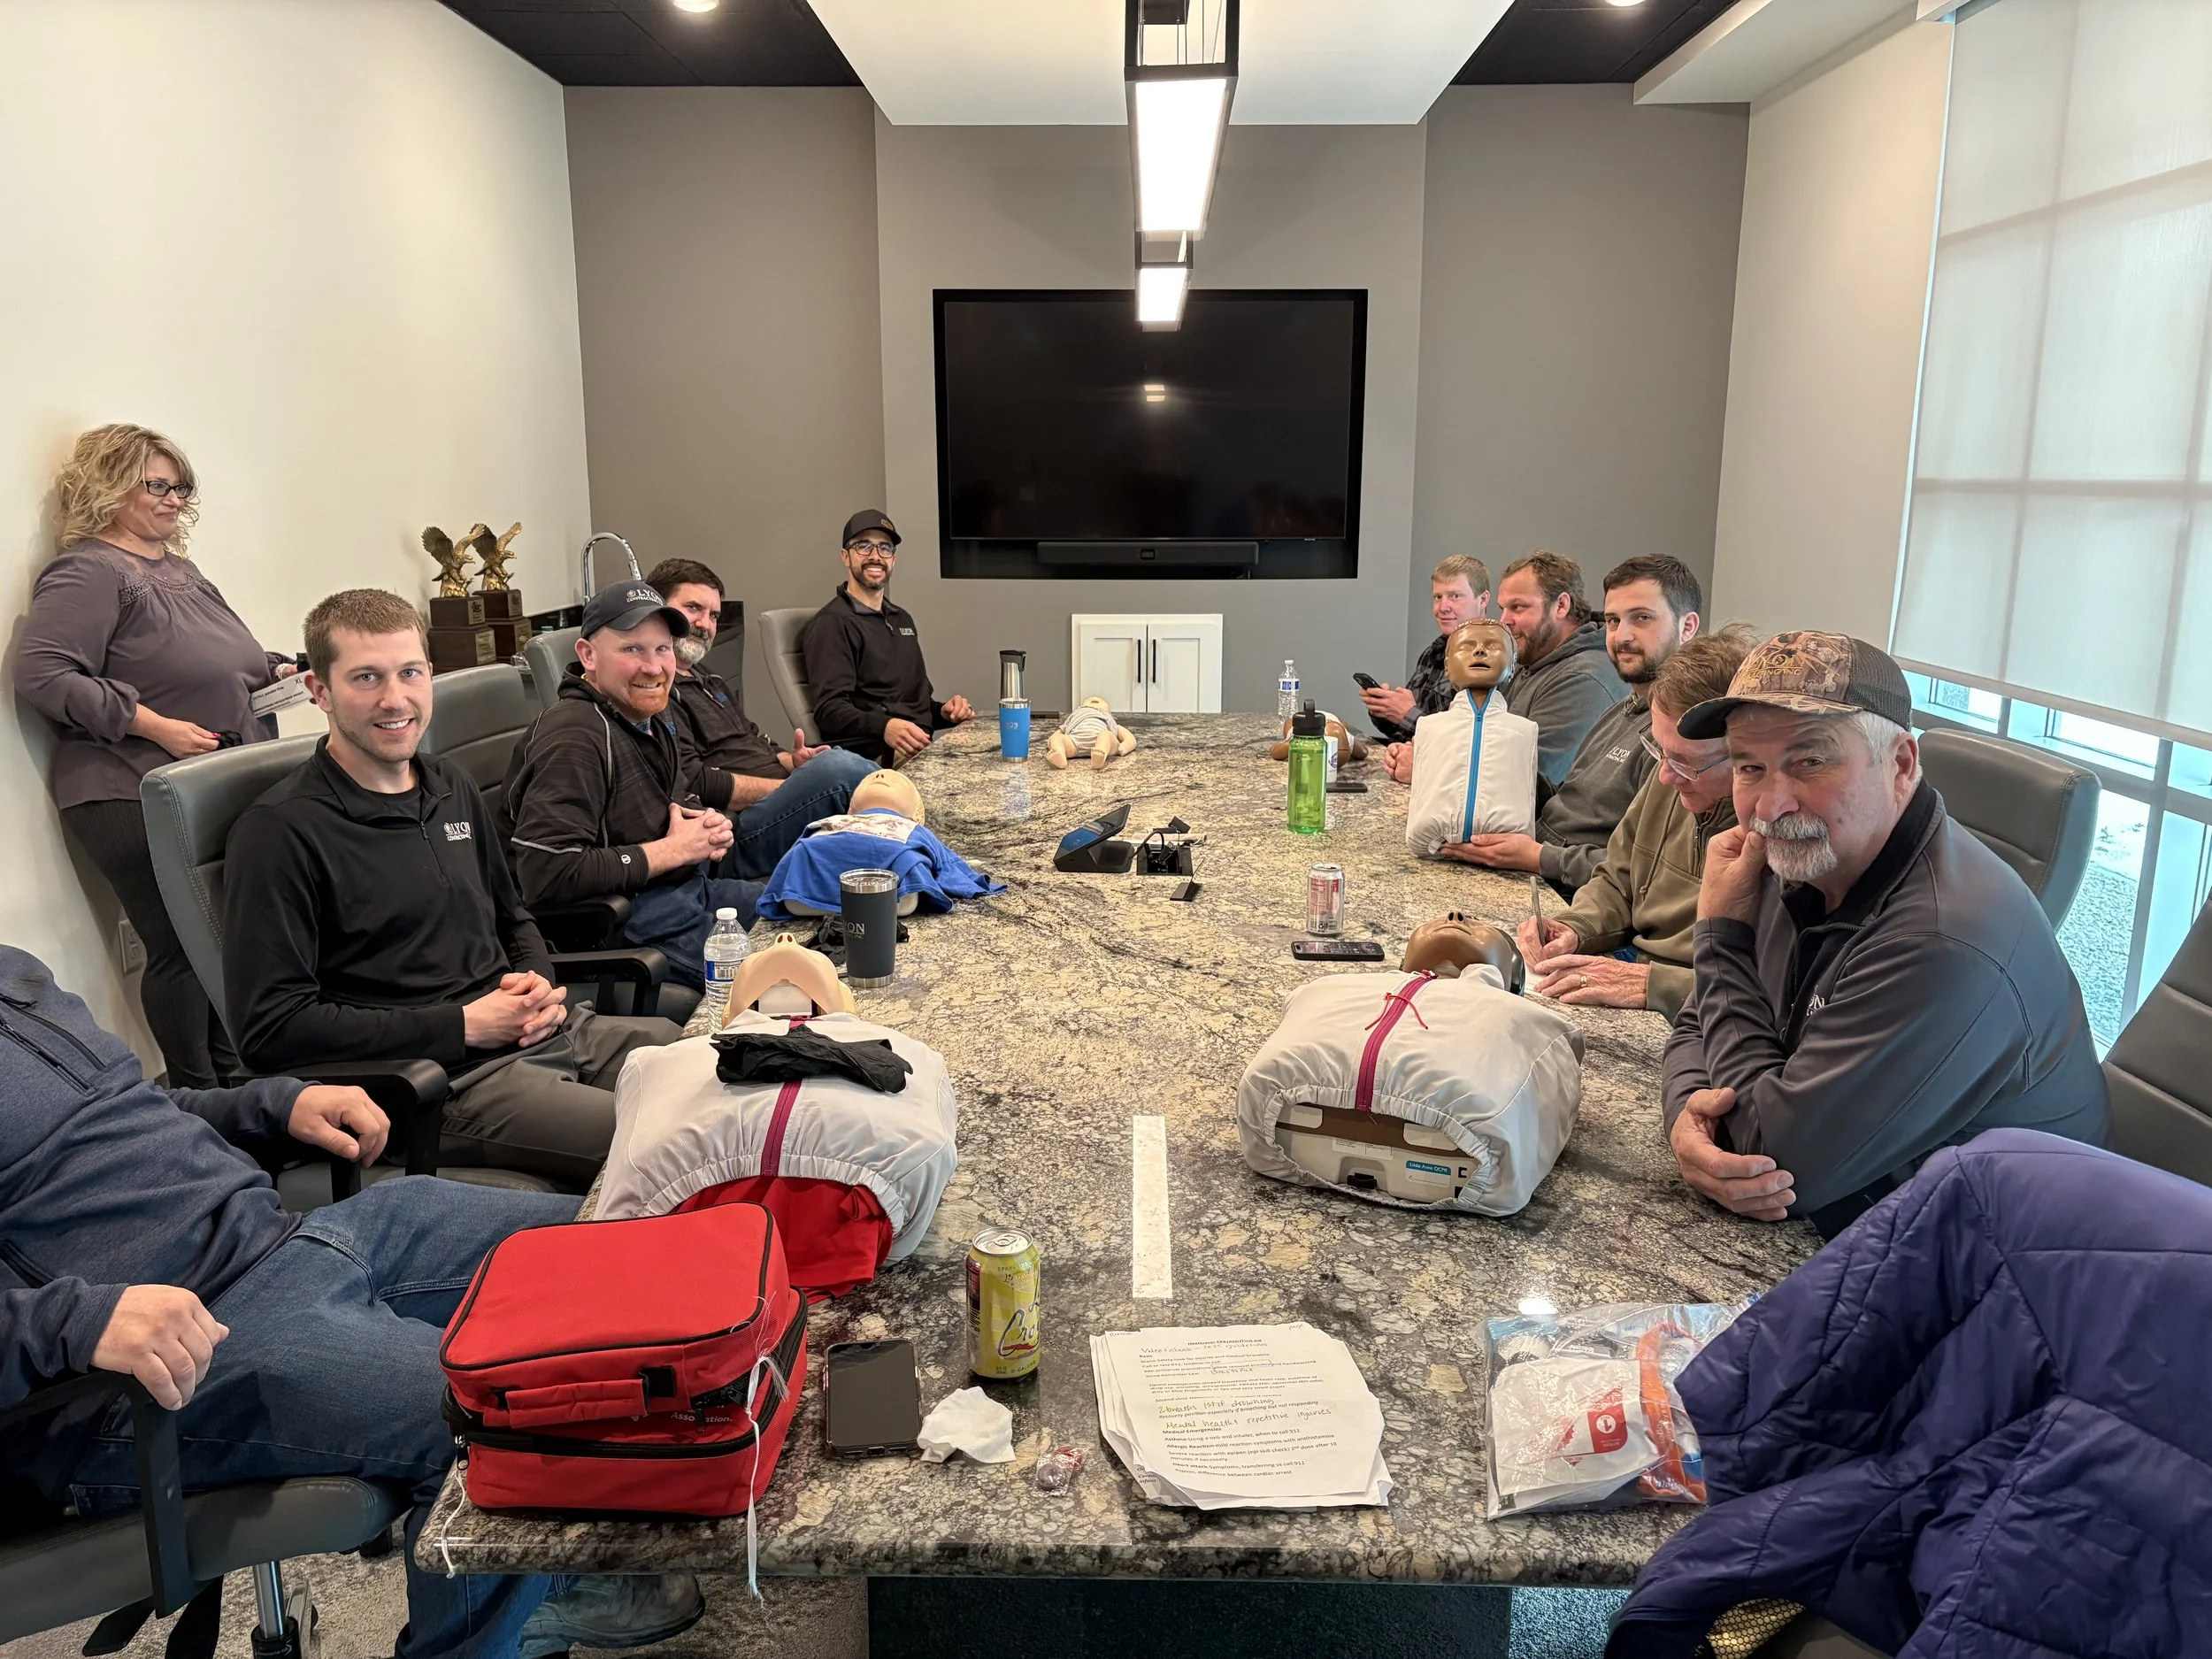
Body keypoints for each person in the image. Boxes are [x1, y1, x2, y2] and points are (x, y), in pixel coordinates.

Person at [0, 945, 702, 1658]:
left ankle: (551, 1575)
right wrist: (75, 1321)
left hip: (284, 1233)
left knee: (609, 1244)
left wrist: (278, 1102)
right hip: (163, 1357)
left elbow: (128, 1110)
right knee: (495, 1412)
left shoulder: (12, 970)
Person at [223, 590, 682, 1188]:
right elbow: (270, 1029)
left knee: (708, 1069)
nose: (395, 699)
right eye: (366, 677)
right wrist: (462, 1025)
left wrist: (537, 982)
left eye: (410, 673)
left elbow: (514, 915)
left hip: (541, 1033)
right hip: (441, 1083)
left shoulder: (449, 784)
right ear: (320, 691)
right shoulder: (280, 831)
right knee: (668, 1143)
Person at [1660, 632, 2109, 1238]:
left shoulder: (1942, 942)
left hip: (1992, 1262)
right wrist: (1685, 1118)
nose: (1769, 806)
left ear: (1900, 764)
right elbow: (1702, 1019)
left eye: (1809, 762)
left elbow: (1771, 1162)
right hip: (1874, 1215)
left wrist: (1719, 935)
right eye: (1750, 767)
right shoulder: (1808, 854)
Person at [14, 424, 296, 1087]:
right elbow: (41, 673)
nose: (175, 500)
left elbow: (216, 657)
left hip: (203, 783)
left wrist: (274, 670)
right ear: (110, 487)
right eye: (158, 486)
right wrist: (154, 726)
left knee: (223, 940)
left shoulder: (180, 571)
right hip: (130, 788)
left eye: (181, 487)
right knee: (182, 946)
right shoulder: (88, 570)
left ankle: (234, 1086)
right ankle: (198, 1097)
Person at [500, 581, 769, 991]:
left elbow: (678, 797)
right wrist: (672, 850)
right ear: (588, 656)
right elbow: (547, 873)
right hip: (620, 922)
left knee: (805, 924)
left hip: (687, 890)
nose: (654, 667)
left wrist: (705, 824)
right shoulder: (574, 737)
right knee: (779, 985)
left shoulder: (651, 716)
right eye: (632, 649)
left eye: (662, 649)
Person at [1514, 626, 1754, 1019]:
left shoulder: (1774, 835)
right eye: (1660, 751)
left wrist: (1654, 984)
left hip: (1694, 1008)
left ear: (1748, 757)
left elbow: (1771, 993)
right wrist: (1576, 927)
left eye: (1687, 763)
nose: (1666, 776)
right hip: (1634, 968)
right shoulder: (1671, 776)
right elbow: (1617, 878)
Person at [1429, 555, 1702, 893]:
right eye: (1614, 620)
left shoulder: (1683, 736)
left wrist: (1539, 857)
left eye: (1642, 618)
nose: (1622, 635)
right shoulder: (1622, 709)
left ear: (1687, 627)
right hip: (1536, 855)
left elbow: (1648, 870)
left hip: (1566, 887)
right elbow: (1572, 798)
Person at [646, 557, 878, 861]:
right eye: (693, 608)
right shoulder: (657, 689)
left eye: (713, 615)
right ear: (658, 610)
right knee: (841, 772)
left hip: (775, 797)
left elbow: (753, 738)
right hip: (739, 828)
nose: (705, 625)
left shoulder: (709, 679)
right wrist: (793, 787)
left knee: (846, 772)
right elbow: (696, 780)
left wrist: (793, 763)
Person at [799, 511, 975, 765]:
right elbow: (830, 711)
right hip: (875, 760)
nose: (875, 556)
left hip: (920, 750)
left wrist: (946, 713)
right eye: (863, 546)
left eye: (885, 548)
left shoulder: (901, 619)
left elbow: (915, 706)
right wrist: (885, 727)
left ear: (893, 559)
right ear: (845, 556)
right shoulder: (833, 623)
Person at [1494, 550, 1625, 787]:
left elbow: (1521, 781)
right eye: (1503, 608)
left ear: (1561, 605)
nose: (1504, 620)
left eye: (1517, 607)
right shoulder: (1533, 660)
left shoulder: (1582, 679)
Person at [1360, 555, 1491, 743]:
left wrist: (1407, 714)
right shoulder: (1433, 652)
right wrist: (1385, 709)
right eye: (1438, 597)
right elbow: (1405, 732)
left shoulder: (1490, 662)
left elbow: (1467, 744)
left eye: (1455, 596)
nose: (1442, 608)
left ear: (1483, 600)